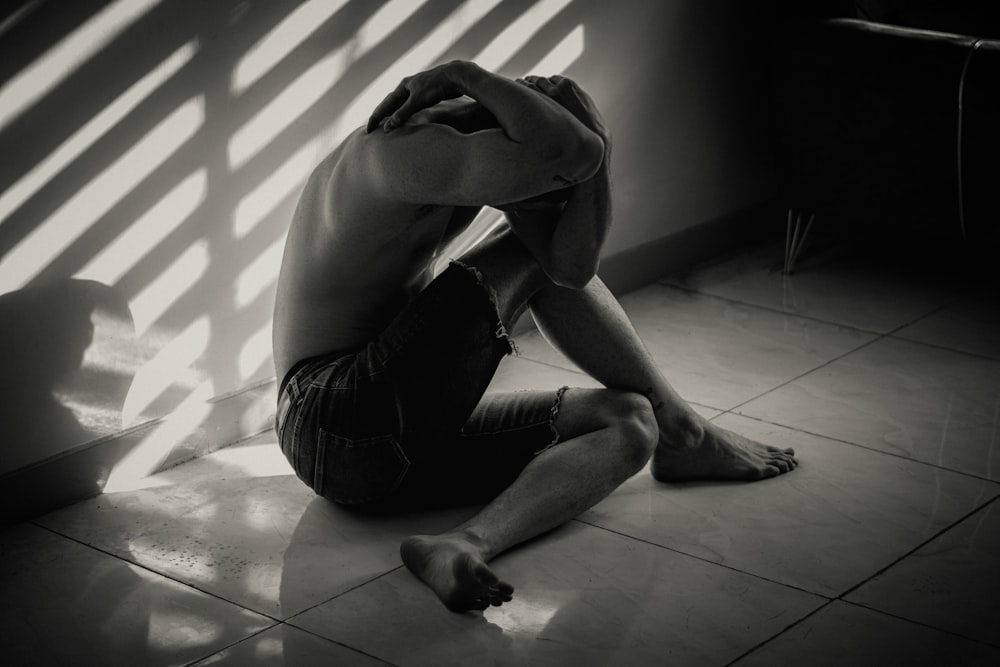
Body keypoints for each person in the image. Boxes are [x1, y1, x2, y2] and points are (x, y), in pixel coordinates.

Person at [272, 60, 797, 613]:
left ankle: (463, 544)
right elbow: (569, 163)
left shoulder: (467, 158)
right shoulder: (398, 152)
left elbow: (568, 265)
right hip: (332, 417)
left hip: (388, 449)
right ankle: (685, 427)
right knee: (526, 246)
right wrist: (478, 81)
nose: (540, 178)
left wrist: (583, 153)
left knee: (629, 422)